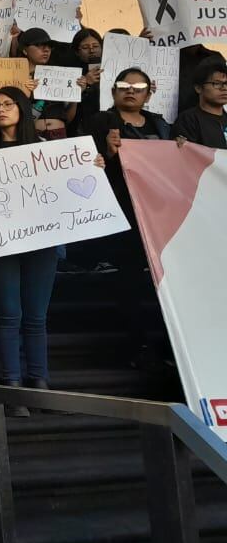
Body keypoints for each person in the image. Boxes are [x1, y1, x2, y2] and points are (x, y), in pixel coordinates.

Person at [0, 88, 105, 416]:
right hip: (2, 242)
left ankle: (39, 382)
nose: (0, 110)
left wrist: (91, 167)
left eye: (7, 104)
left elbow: (66, 188)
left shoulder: (43, 149)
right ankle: (12, 385)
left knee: (36, 316)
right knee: (9, 313)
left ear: (23, 109)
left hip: (40, 241)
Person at [88, 67, 172, 365]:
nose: (130, 90)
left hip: (157, 214)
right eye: (123, 85)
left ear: (149, 93)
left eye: (138, 87)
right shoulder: (100, 122)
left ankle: (166, 347)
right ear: (113, 91)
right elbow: (84, 166)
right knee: (131, 281)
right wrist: (107, 154)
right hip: (123, 212)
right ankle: (137, 346)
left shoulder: (161, 126)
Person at [173, 59, 227, 149]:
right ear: (198, 88)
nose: (224, 88)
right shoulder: (188, 120)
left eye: (226, 83)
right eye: (217, 83)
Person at [69, 28, 104, 137]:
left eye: (95, 46)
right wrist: (86, 84)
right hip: (82, 129)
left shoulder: (114, 68)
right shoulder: (71, 73)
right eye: (85, 47)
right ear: (77, 52)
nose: (91, 50)